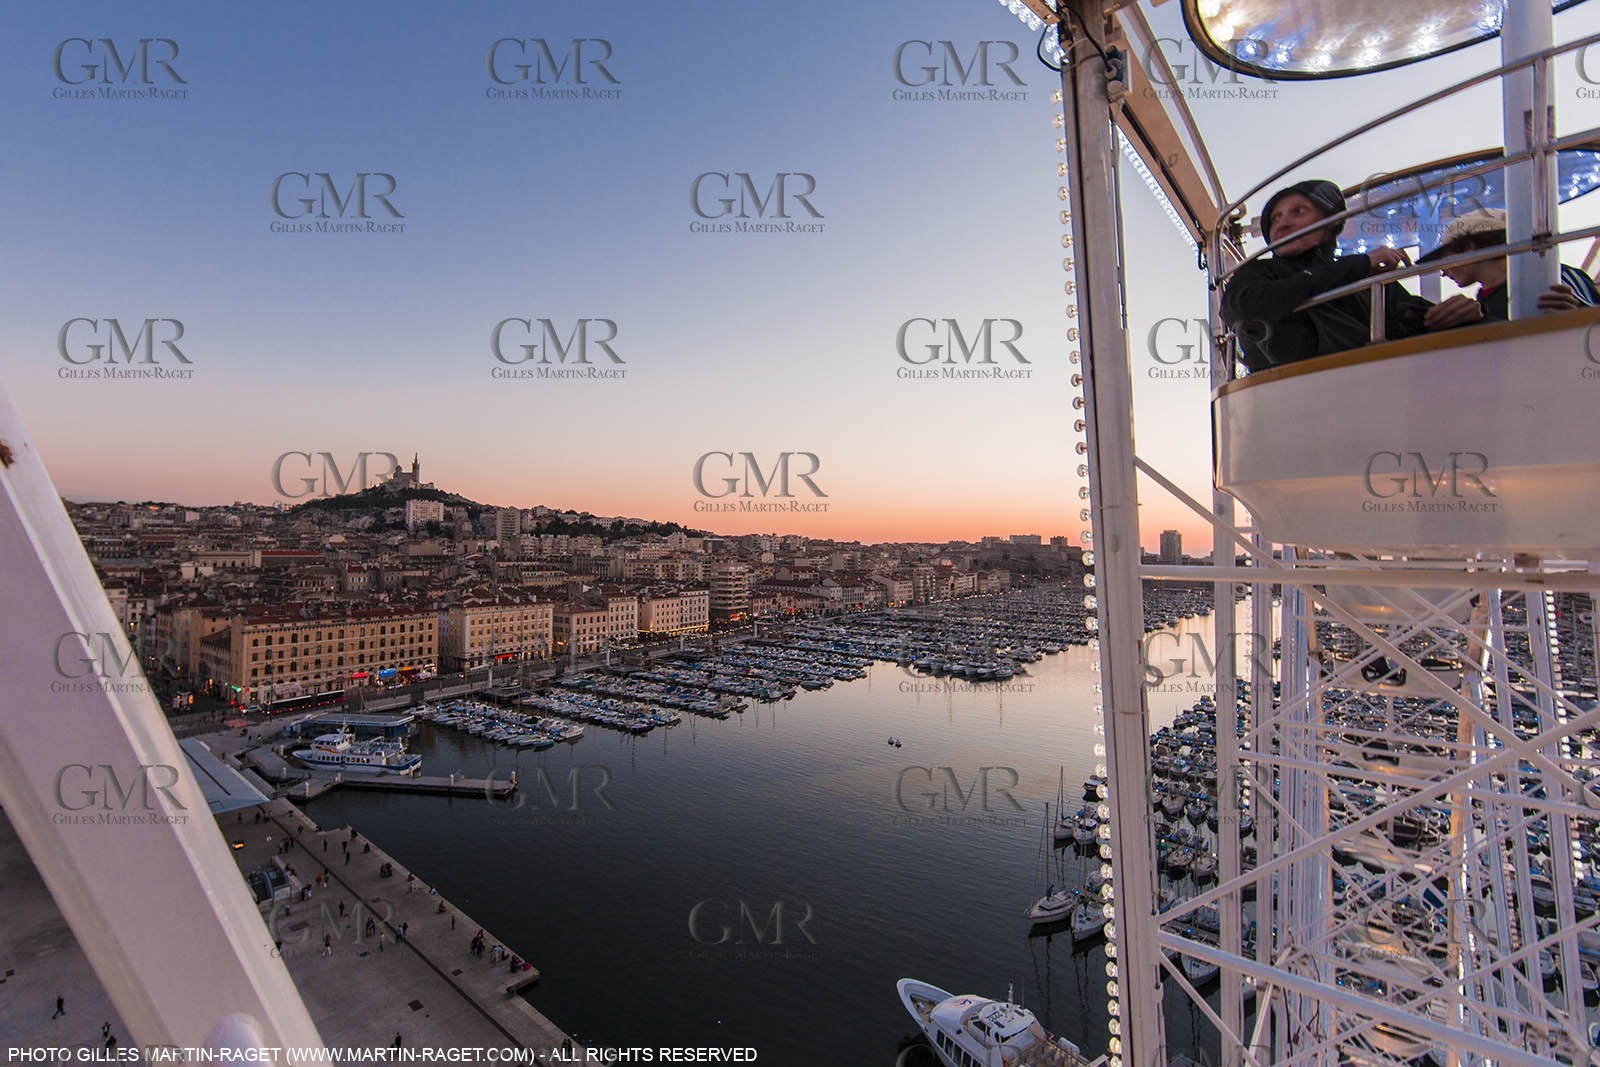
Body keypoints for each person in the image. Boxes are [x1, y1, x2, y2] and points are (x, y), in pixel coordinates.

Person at [1222, 179, 1482, 372]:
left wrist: (1461, 315)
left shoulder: (1367, 281)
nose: (1282, 224)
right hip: (1294, 407)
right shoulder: (1259, 273)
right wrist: (1355, 266)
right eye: (1275, 218)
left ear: (1331, 223)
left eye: (1298, 212)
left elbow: (1415, 321)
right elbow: (1242, 309)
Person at [1418, 207, 1600, 321]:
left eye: (1445, 259)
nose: (1443, 272)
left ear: (1469, 248)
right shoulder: (1572, 274)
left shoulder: (1515, 293)